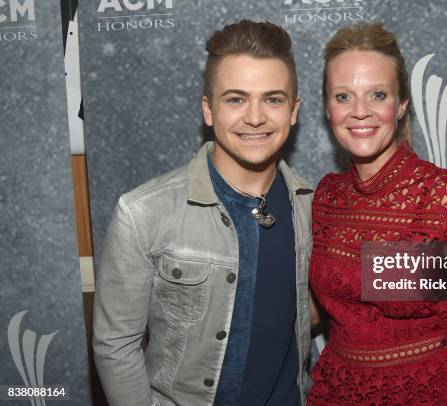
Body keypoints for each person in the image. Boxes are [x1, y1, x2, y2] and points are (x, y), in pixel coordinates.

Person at [93, 20, 313, 406]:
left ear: (293, 111)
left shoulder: (313, 206)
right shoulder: (144, 212)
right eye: (235, 99)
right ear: (208, 110)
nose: (256, 117)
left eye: (273, 99)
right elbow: (115, 345)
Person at [308, 23, 447, 405]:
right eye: (343, 96)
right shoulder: (327, 197)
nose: (360, 112)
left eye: (377, 95)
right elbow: (319, 311)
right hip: (335, 394)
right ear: (327, 108)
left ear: (400, 105)